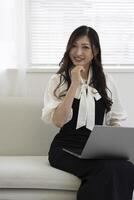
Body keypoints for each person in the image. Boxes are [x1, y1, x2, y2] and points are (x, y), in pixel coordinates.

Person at [41, 25, 134, 200]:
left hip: (96, 149)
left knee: (126, 167)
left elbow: (116, 117)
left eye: (85, 47)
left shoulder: (106, 80)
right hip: (65, 148)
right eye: (74, 46)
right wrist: (74, 84)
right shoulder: (58, 80)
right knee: (105, 170)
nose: (78, 52)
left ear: (95, 51)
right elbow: (58, 121)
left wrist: (115, 138)